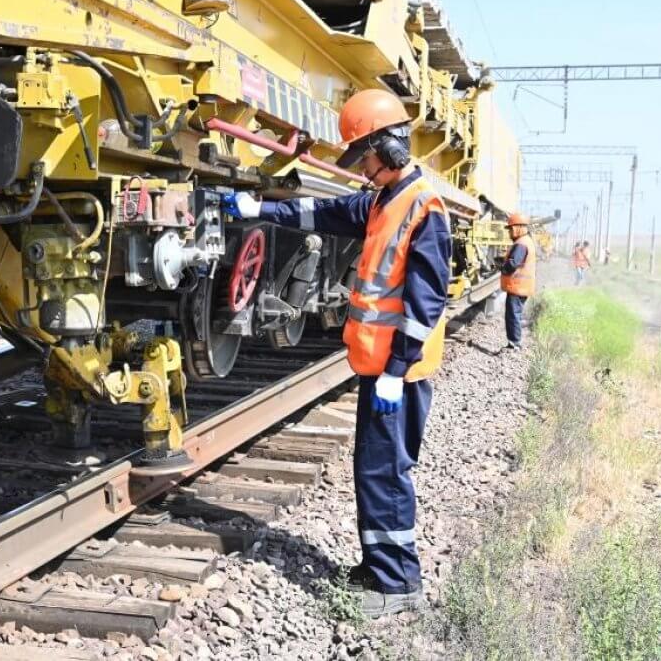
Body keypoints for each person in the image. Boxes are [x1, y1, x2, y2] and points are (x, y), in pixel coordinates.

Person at [222, 89, 451, 618]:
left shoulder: (423, 209)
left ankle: (397, 586)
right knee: (374, 468)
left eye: (366, 158)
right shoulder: (381, 202)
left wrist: (396, 370)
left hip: (400, 371)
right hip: (383, 368)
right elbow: (321, 212)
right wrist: (260, 207)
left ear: (389, 147)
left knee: (385, 471)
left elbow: (425, 302)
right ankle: (379, 566)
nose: (363, 170)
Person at [500, 213, 535, 349]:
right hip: (522, 287)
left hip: (518, 286)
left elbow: (513, 263)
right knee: (515, 314)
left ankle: (514, 344)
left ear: (518, 228)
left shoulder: (521, 243)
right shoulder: (526, 241)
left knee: (513, 315)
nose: (509, 232)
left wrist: (502, 268)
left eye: (510, 228)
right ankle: (514, 342)